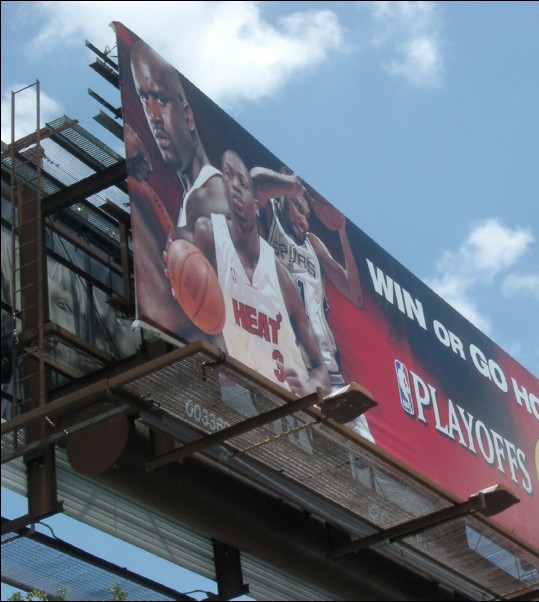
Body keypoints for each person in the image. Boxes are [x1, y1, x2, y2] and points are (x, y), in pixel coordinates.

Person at [174, 150, 330, 398]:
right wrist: (179, 276)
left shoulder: (281, 276)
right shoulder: (209, 233)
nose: (234, 185)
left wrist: (311, 386)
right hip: (236, 391)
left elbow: (321, 368)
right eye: (228, 177)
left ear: (257, 204)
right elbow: (197, 320)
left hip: (289, 404)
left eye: (242, 182)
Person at [251, 168, 374, 442]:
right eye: (298, 209)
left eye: (308, 215)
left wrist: (343, 232)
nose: (304, 221)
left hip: (327, 366)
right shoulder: (270, 216)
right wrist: (291, 185)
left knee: (370, 452)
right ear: (284, 198)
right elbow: (254, 181)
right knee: (302, 447)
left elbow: (355, 294)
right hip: (288, 360)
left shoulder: (313, 244)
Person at [129, 39, 227, 233]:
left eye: (162, 100)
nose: (153, 116)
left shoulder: (211, 194)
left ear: (188, 116)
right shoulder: (191, 198)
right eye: (144, 98)